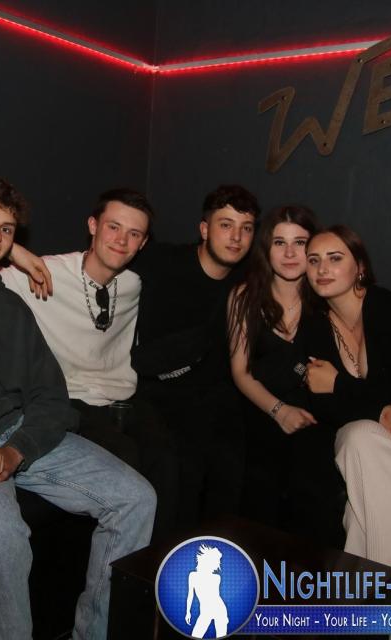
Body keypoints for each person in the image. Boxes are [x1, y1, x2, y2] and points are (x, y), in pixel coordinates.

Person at [0, 176, 156, 640]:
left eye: (6, 229)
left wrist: (18, 449)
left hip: (16, 429)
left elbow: (52, 397)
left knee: (137, 499)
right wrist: (14, 251)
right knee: (1, 537)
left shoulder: (8, 303)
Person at [3, 188, 178, 538]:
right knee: (125, 457)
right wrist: (12, 248)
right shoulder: (42, 272)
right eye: (113, 227)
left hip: (122, 399)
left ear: (143, 243)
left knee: (169, 459)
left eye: (134, 234)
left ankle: (157, 563)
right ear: (93, 226)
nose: (122, 240)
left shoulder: (135, 283)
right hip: (68, 400)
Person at [129, 185, 259, 527]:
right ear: (204, 229)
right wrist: (20, 257)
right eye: (225, 225)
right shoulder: (162, 261)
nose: (236, 237)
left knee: (233, 478)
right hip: (159, 396)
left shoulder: (249, 279)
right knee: (177, 477)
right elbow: (98, 257)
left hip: (218, 400)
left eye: (246, 228)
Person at [227, 206, 343, 545]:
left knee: (313, 497)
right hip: (262, 408)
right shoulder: (245, 296)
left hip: (315, 418)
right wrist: (279, 411)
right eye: (280, 242)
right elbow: (240, 372)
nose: (290, 253)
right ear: (267, 248)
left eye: (300, 243)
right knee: (258, 496)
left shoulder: (327, 298)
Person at [304, 225, 391, 570]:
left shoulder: (386, 307)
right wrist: (383, 410)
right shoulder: (315, 327)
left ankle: (374, 590)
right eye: (313, 260)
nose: (322, 269)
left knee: (359, 514)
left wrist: (339, 385)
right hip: (366, 444)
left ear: (359, 267)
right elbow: (326, 407)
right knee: (358, 436)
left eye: (335, 258)